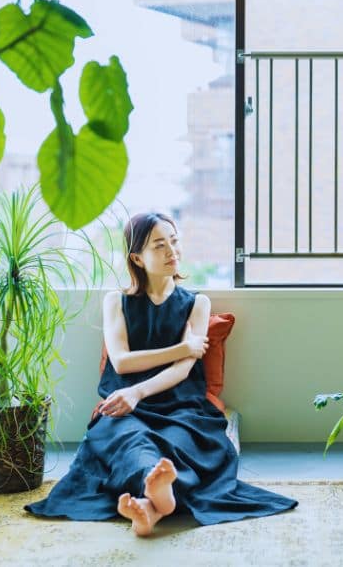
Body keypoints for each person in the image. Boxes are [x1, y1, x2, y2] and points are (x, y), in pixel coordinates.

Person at [25, 212, 297, 535]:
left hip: (182, 407)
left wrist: (139, 390)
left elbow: (183, 373)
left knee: (178, 444)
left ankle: (152, 507)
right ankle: (156, 494)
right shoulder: (116, 301)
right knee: (133, 442)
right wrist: (183, 349)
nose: (172, 251)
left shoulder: (197, 304)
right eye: (159, 245)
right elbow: (123, 362)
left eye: (174, 241)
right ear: (137, 258)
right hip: (124, 408)